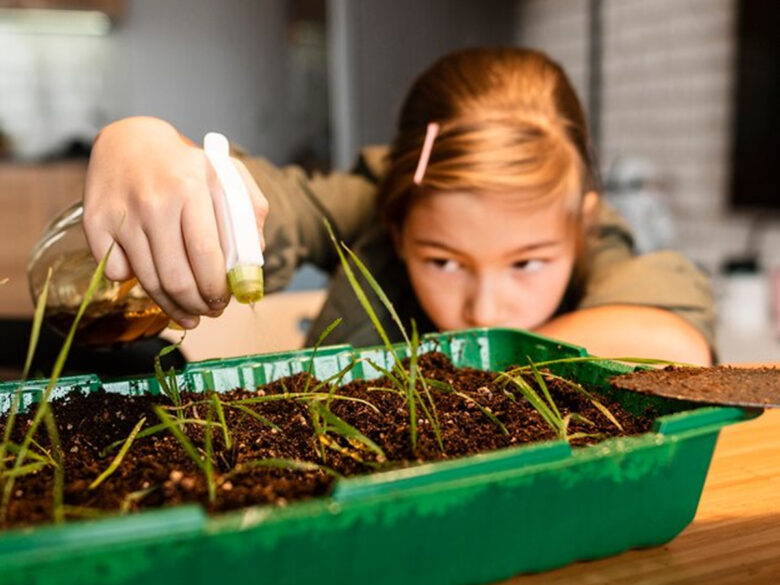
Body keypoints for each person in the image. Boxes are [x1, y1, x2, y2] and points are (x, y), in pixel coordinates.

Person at [81, 48, 713, 365]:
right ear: (398, 220)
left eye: (526, 264)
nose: (483, 309)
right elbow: (258, 208)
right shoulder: (373, 199)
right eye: (443, 261)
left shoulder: (592, 236)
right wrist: (141, 144)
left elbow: (669, 338)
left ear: (581, 226)